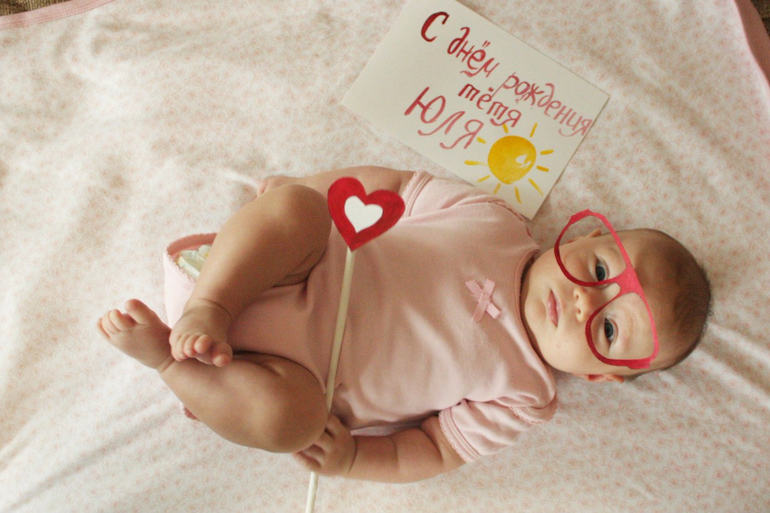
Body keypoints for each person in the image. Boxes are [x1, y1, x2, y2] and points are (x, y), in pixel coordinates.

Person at [97, 166, 711, 483]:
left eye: (609, 330)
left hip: (273, 379)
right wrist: (306, 189)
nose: (583, 302)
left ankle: (166, 360)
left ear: (601, 375)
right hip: (263, 274)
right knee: (301, 210)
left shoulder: (524, 395)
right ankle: (209, 305)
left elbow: (435, 449)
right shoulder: (493, 219)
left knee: (293, 425)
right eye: (600, 270)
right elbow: (386, 188)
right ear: (583, 238)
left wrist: (351, 460)